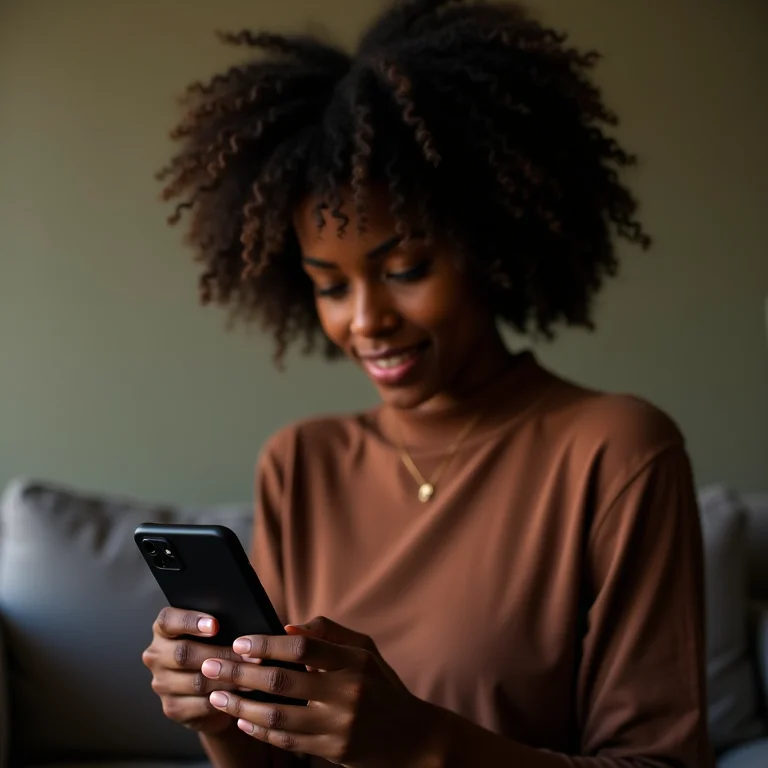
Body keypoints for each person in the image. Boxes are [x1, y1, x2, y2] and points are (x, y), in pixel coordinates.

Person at [141, 1, 713, 765]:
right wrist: (218, 715)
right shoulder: (300, 463)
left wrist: (416, 741)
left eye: (405, 270)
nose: (366, 320)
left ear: (492, 246)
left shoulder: (615, 452)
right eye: (330, 286)